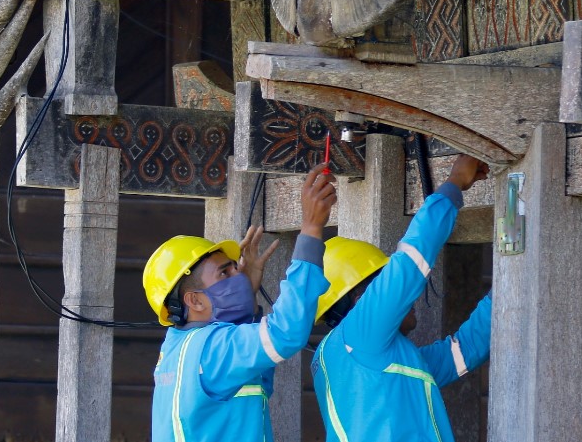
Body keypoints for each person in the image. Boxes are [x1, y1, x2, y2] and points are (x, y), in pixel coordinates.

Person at [143, 163, 337, 442]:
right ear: (195, 300)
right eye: (225, 272)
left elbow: (257, 380)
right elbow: (286, 333)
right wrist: (310, 229)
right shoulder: (213, 349)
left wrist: (246, 301)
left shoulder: (178, 348)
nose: (239, 275)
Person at [311, 154, 492, 441]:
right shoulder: (358, 336)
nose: (409, 298)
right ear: (361, 299)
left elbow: (466, 349)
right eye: (383, 283)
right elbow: (411, 261)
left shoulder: (367, 358)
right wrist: (454, 183)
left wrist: (506, 284)